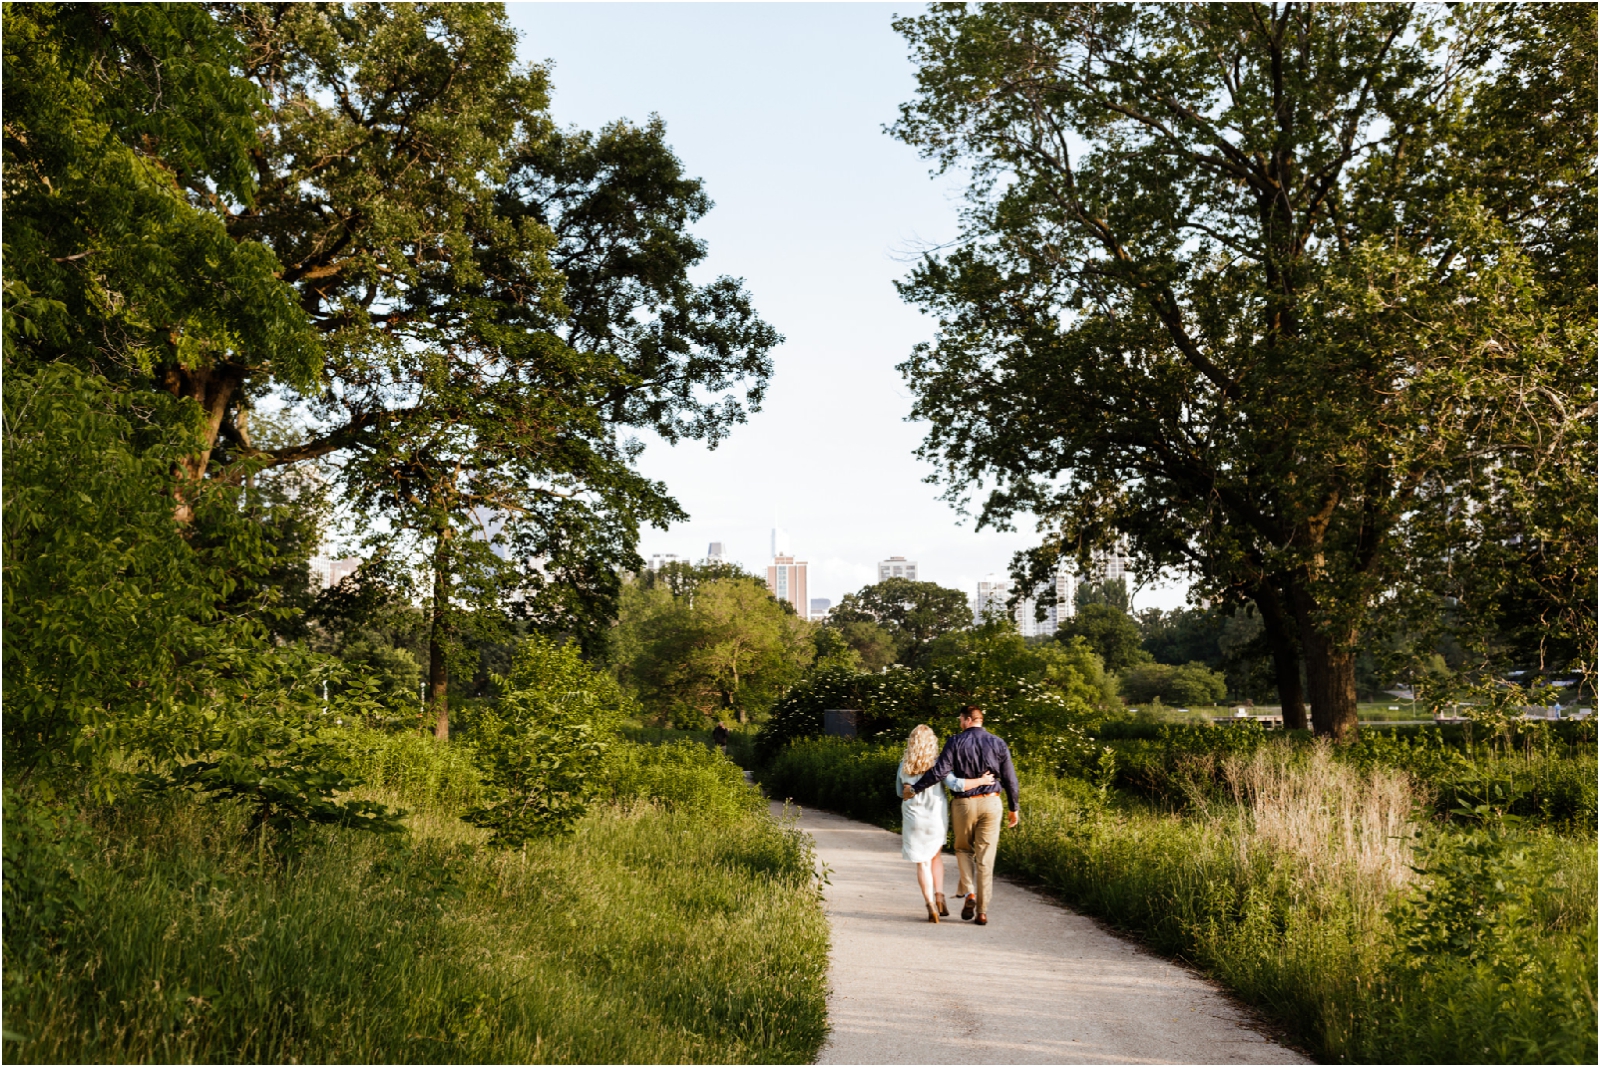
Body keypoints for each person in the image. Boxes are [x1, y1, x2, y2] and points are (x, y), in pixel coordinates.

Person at [903, 704, 1019, 926]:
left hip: (964, 804)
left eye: (960, 719)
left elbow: (939, 772)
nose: (959, 723)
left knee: (963, 850)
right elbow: (1010, 778)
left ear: (967, 719)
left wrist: (916, 788)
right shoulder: (998, 743)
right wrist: (1014, 807)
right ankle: (982, 912)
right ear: (980, 720)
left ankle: (970, 894)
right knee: (986, 858)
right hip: (992, 803)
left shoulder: (955, 741)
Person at [896, 724, 995, 923]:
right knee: (935, 857)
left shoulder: (904, 764)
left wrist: (910, 787)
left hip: (913, 817)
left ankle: (930, 905)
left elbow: (900, 792)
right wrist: (981, 781)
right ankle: (940, 896)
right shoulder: (938, 763)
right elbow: (956, 784)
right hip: (934, 818)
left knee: (922, 863)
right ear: (932, 743)